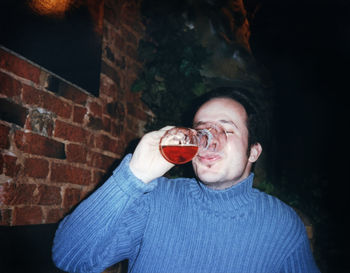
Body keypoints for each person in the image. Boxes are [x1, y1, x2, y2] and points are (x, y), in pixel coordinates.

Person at [52, 87, 320, 273]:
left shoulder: (282, 225)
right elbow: (69, 257)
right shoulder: (156, 200)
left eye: (227, 129)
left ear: (253, 151)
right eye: (201, 130)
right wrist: (134, 176)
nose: (210, 139)